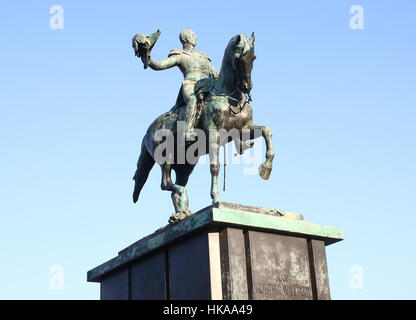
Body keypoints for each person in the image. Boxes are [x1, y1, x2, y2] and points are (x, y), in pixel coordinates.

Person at [146, 29, 218, 139]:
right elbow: (160, 65)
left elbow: (216, 74)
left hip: (208, 86)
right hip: (191, 85)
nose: (196, 37)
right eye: (193, 35)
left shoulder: (204, 57)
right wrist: (148, 59)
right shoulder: (180, 55)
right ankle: (187, 131)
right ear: (185, 38)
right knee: (192, 100)